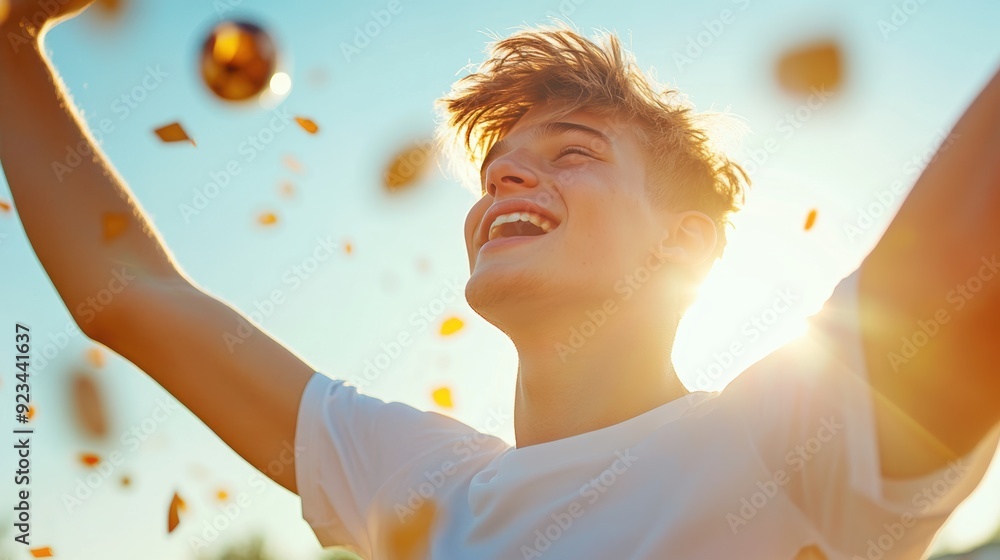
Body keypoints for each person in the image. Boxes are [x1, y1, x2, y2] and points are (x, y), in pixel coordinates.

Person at [2, 3, 998, 559]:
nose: (510, 174)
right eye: (496, 166)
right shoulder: (423, 480)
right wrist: (7, 40)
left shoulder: (788, 434)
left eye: (571, 154)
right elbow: (130, 294)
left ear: (685, 247)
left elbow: (966, 244)